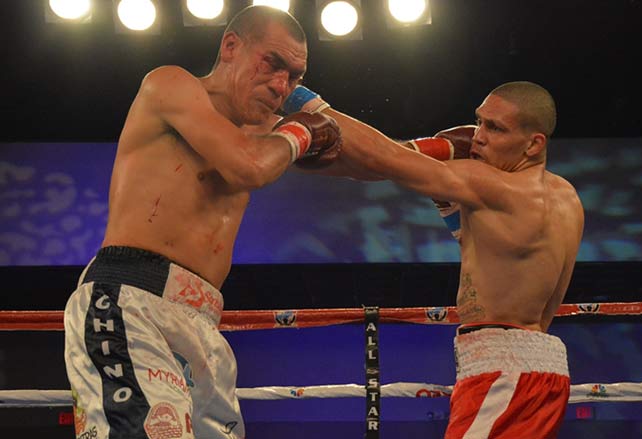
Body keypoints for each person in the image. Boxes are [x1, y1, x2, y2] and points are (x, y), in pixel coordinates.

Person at [63, 6, 341, 439]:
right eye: (273, 64)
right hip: (131, 300)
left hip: (203, 322)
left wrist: (439, 154)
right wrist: (302, 131)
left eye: (295, 78)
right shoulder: (170, 85)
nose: (282, 85)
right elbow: (248, 167)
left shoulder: (271, 132)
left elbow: (372, 158)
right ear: (231, 46)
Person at [283, 81, 584, 438]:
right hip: (543, 371)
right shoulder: (567, 198)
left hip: (502, 375)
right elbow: (516, 271)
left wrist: (305, 104)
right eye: (480, 121)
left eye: (495, 128)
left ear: (534, 143)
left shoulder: (491, 184)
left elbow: (386, 159)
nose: (478, 136)